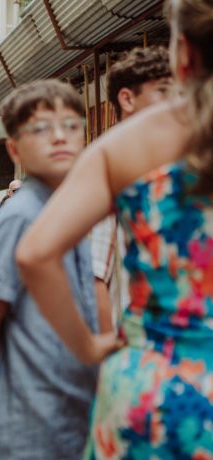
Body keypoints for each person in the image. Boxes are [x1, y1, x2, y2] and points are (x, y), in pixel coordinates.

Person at [16, 1, 213, 460]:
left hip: (156, 394)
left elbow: (36, 253)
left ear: (182, 52)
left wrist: (85, 347)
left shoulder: (131, 142)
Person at [0, 80, 100, 460]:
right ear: (14, 149)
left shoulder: (66, 209)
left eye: (71, 125)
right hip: (31, 419)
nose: (59, 136)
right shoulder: (21, 217)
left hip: (69, 411)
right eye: (40, 128)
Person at [91, 46, 171, 332]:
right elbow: (96, 275)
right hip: (140, 345)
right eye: (164, 91)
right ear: (127, 98)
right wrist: (104, 351)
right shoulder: (111, 168)